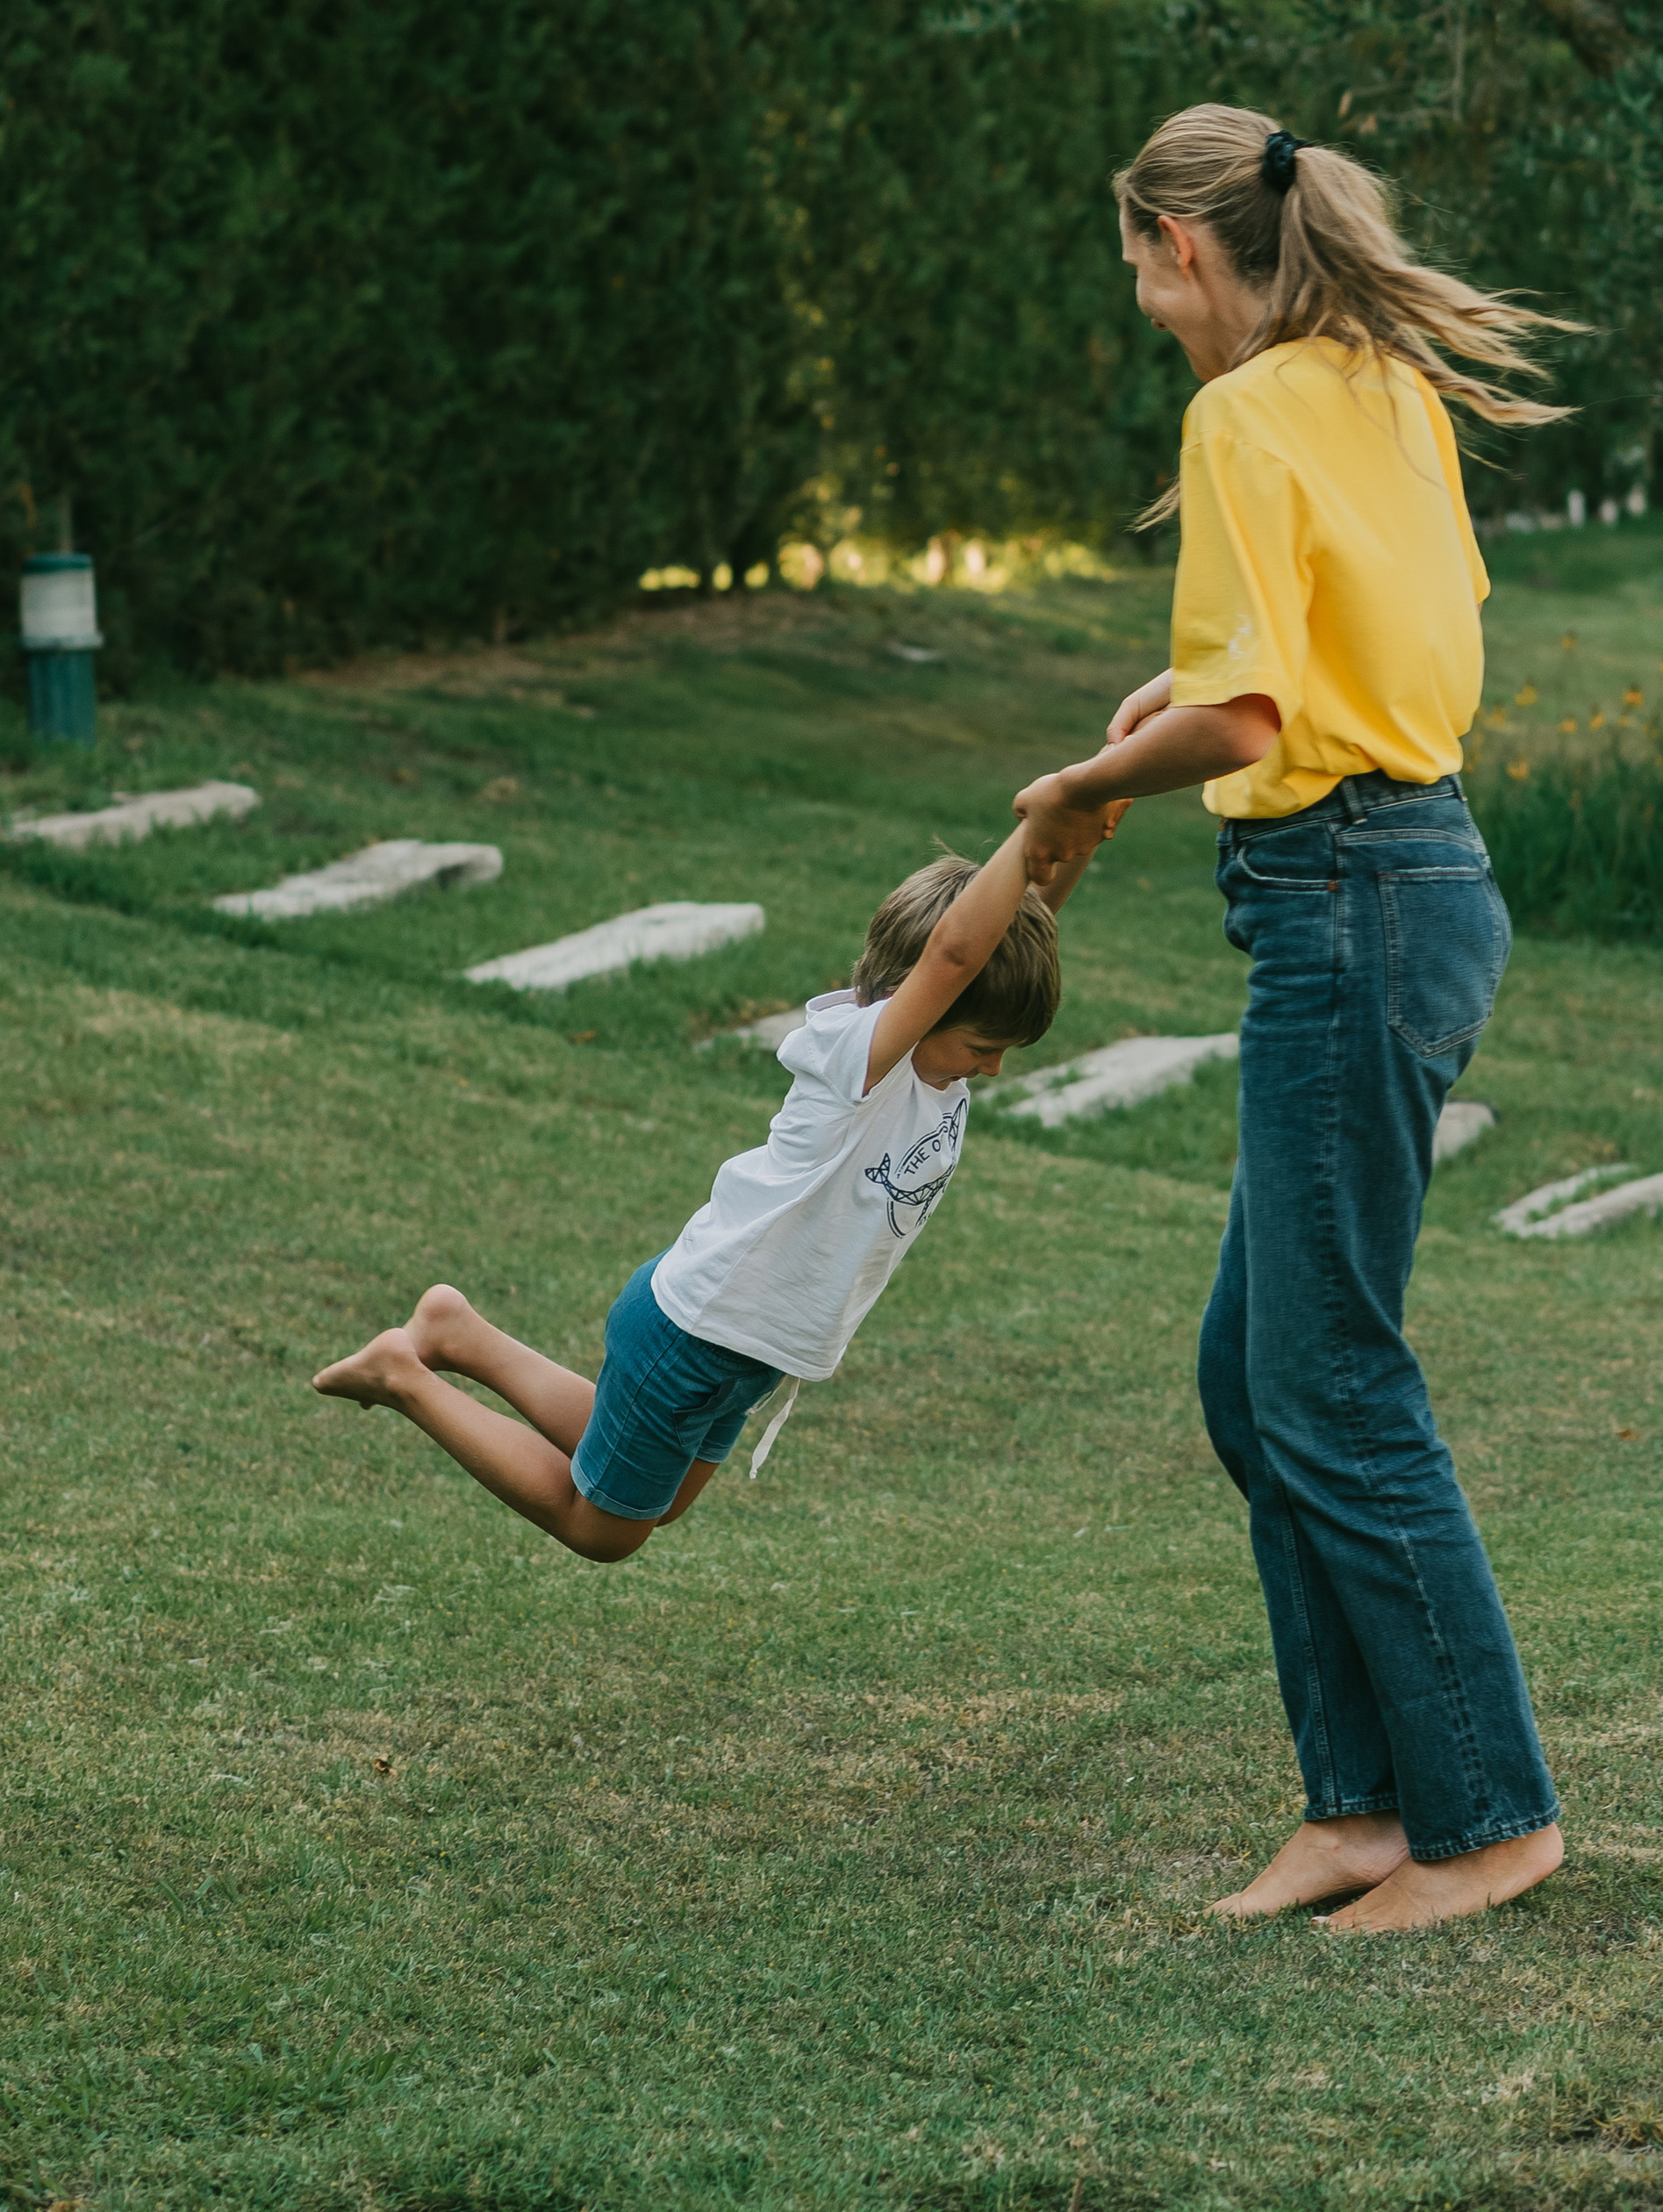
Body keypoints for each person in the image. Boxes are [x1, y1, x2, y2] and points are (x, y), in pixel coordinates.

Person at [1015, 104, 1572, 1936]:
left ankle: (1484, 1823)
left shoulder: (1243, 413)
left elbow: (1250, 723)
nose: (1135, 295)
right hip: (1408, 880)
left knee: (1326, 1379)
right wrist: (1144, 708)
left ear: (1182, 246)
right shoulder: (1381, 387)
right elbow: (1375, 642)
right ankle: (1354, 1810)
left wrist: (1063, 793)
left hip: (1349, 900)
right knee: (1253, 1378)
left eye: (1132, 261)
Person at [312, 832, 1096, 1559]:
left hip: (745, 1345)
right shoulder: (866, 1063)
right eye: (984, 1049)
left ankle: (456, 1332)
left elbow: (994, 946)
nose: (991, 1070)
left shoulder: (936, 1061)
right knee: (606, 1529)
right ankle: (403, 1375)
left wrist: (1077, 834)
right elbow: (959, 956)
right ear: (918, 1002)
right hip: (699, 1330)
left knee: (652, 1497)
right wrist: (1030, 835)